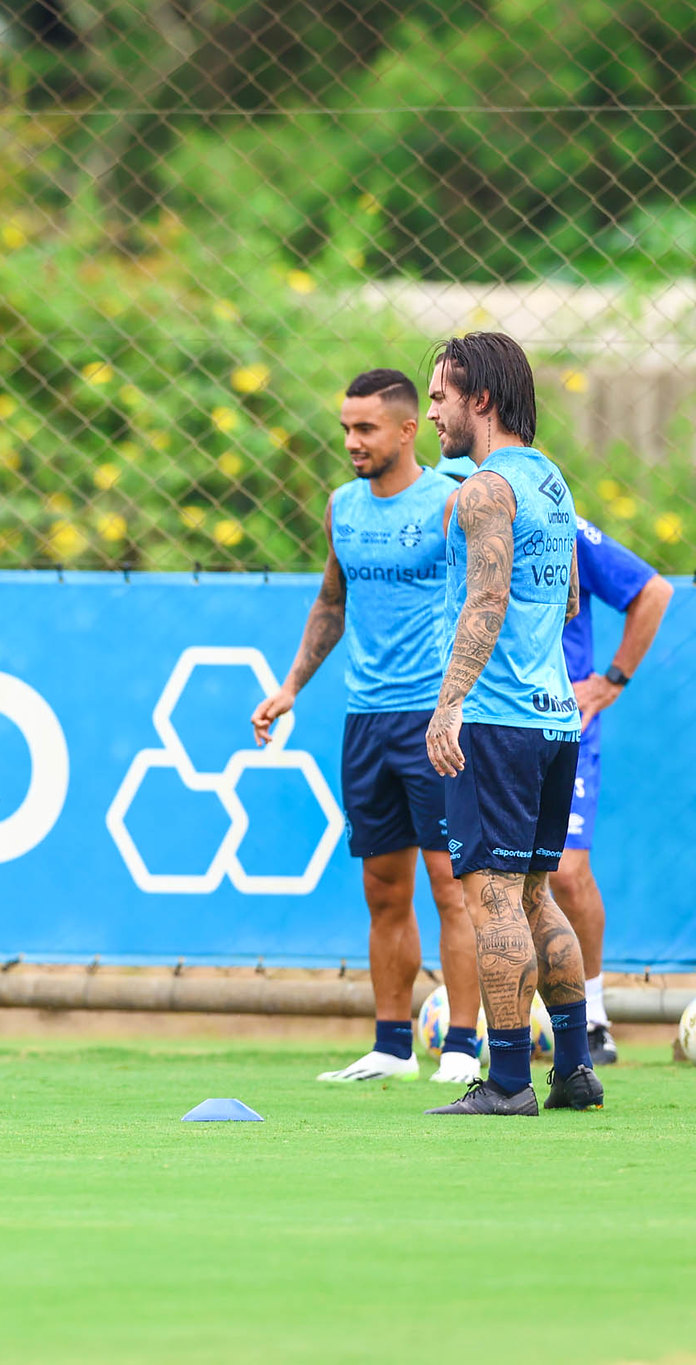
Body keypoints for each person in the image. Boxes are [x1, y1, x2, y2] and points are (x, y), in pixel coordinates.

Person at [250, 369, 482, 1086]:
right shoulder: (342, 508)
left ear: (409, 430)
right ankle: (390, 1045)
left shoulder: (451, 502)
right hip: (366, 721)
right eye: (346, 428)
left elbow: (487, 601)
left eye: (366, 429)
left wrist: (465, 698)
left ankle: (463, 1049)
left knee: (454, 886)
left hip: (435, 719)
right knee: (384, 886)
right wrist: (290, 686)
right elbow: (331, 600)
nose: (351, 441)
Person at [418, 332, 598, 1117]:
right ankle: (576, 1069)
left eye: (439, 397)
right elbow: (561, 602)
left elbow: (486, 602)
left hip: (497, 719)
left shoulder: (487, 488)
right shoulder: (551, 481)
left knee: (488, 897)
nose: (432, 414)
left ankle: (509, 1080)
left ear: (479, 399)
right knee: (534, 894)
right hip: (555, 718)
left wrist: (450, 699)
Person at [549, 515, 673, 1064]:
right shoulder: (452, 509)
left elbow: (652, 590)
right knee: (488, 876)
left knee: (566, 873)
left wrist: (612, 679)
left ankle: (592, 1017)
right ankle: (502, 1021)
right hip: (490, 720)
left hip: (562, 720)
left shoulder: (561, 520)